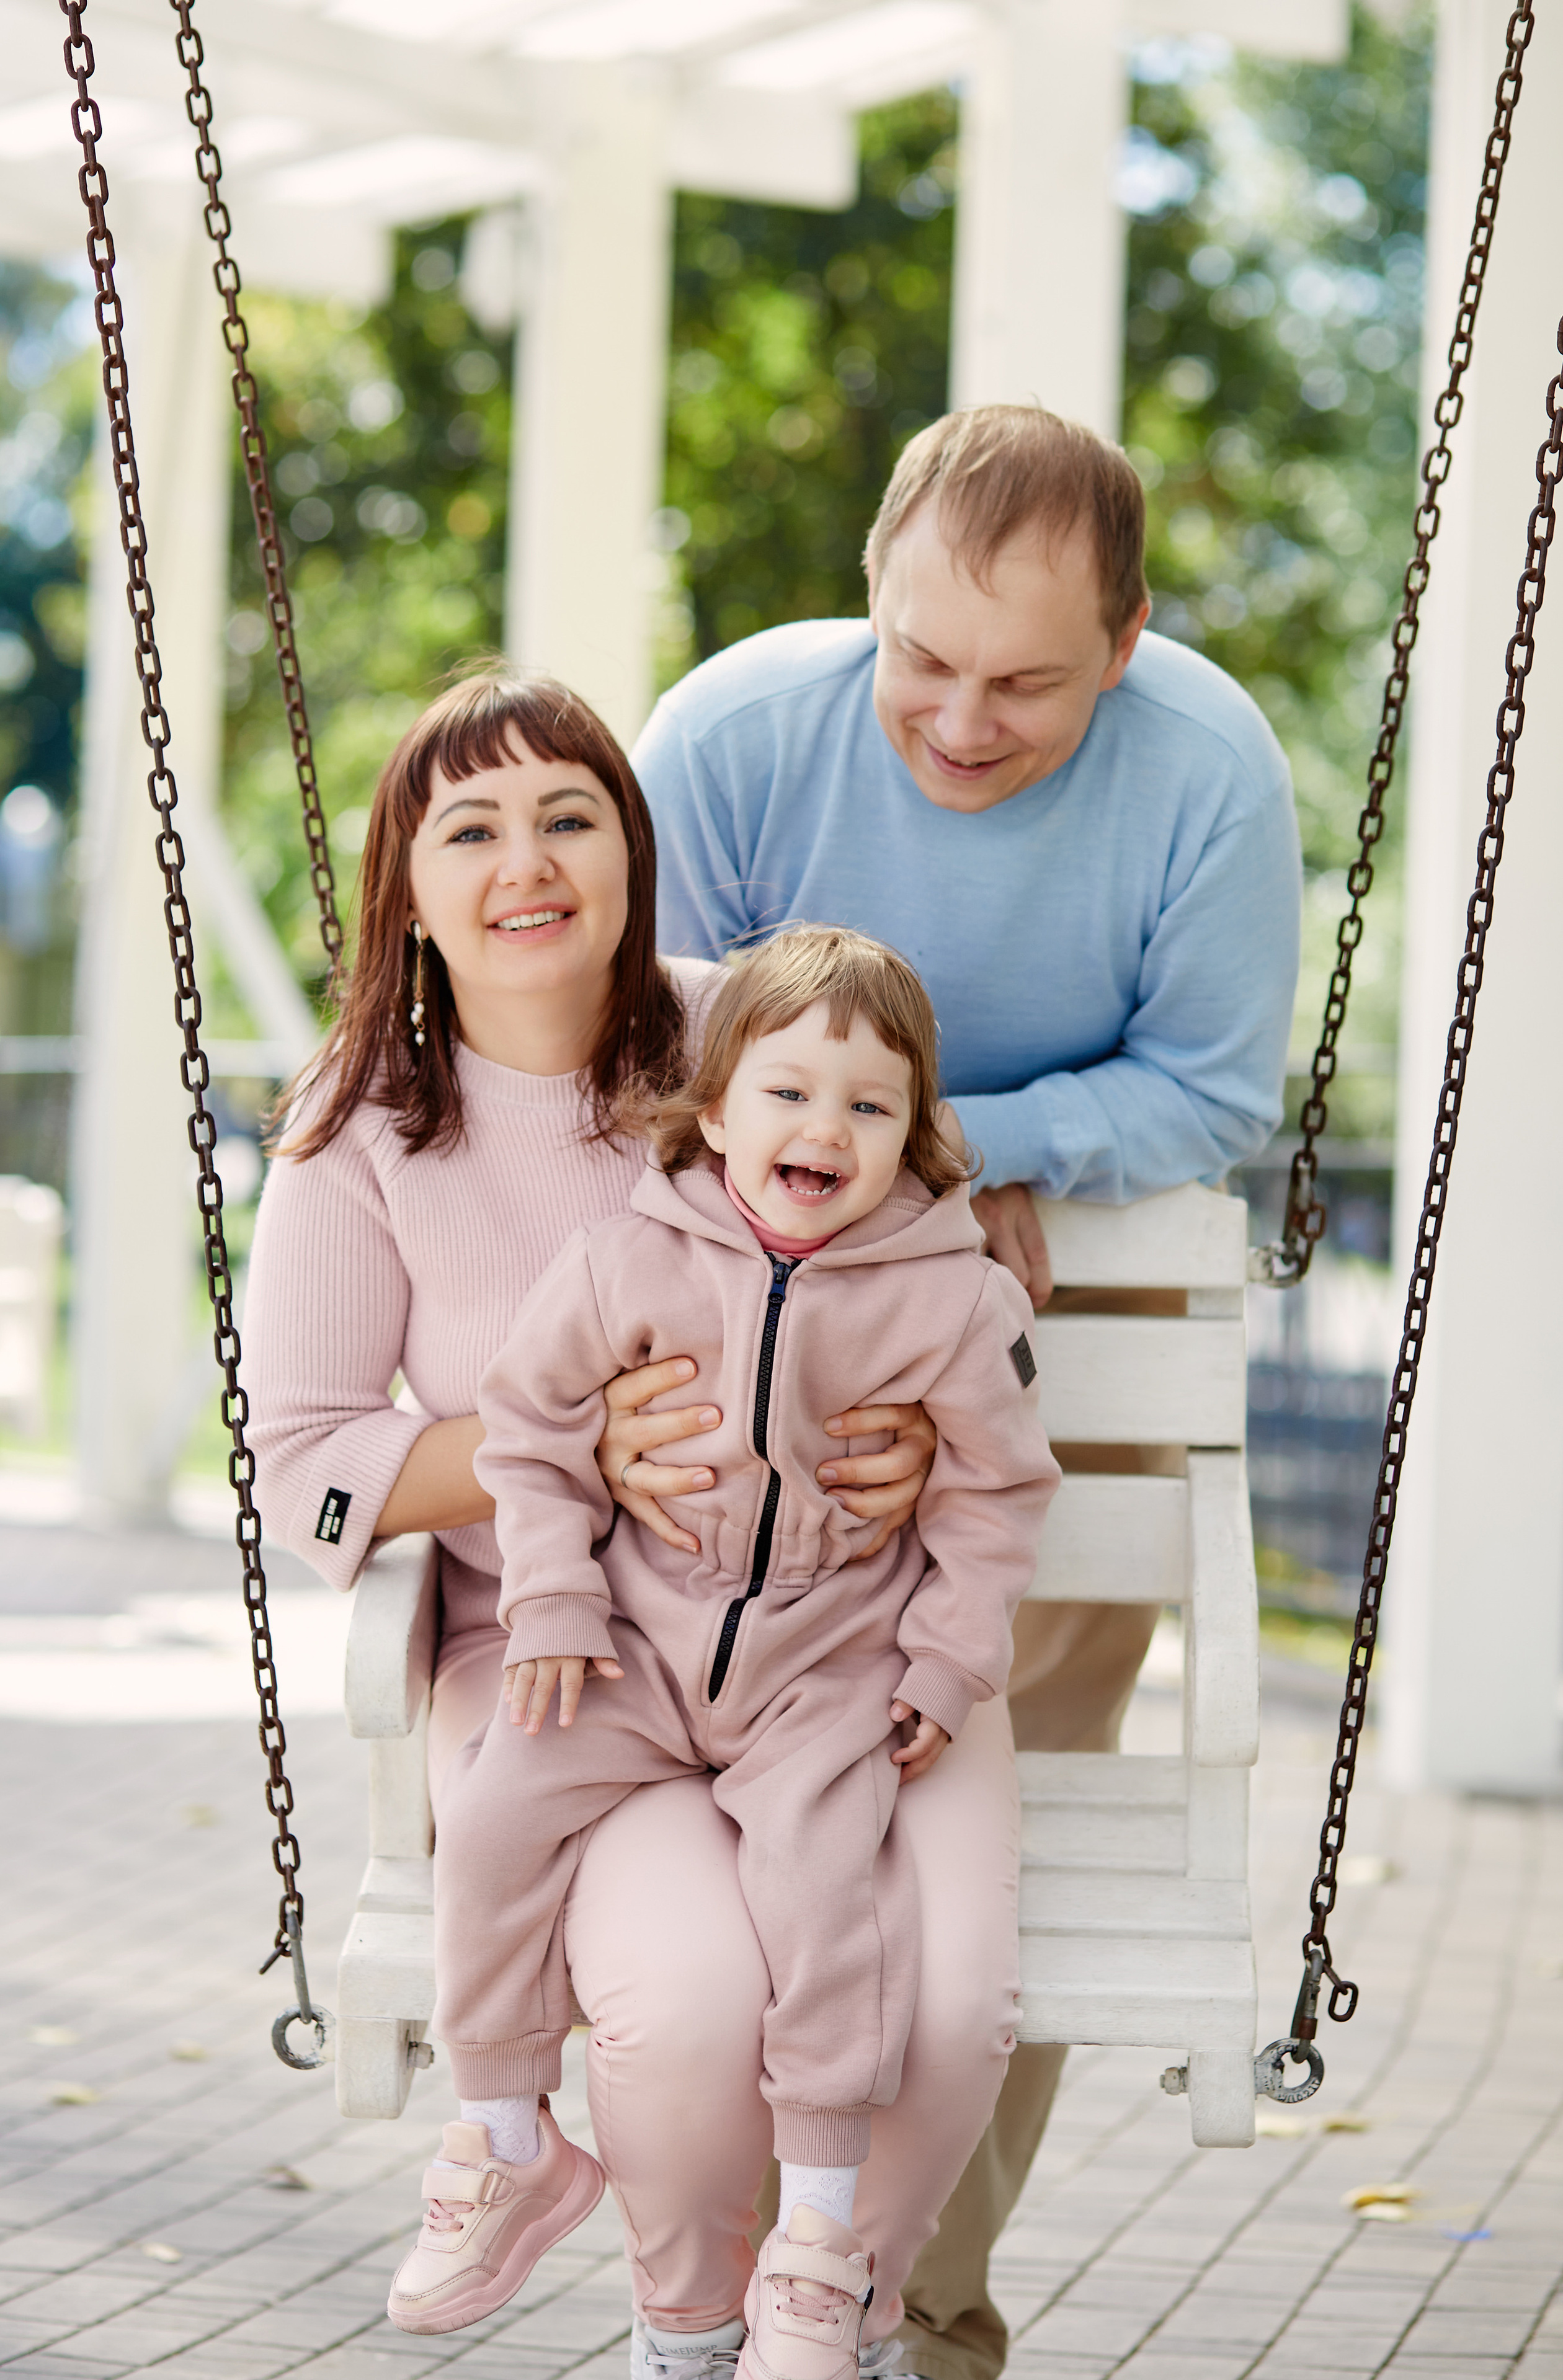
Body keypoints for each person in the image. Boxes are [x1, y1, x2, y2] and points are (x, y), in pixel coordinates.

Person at [630, 404, 1302, 2380]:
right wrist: (908, 1183)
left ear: (1127, 634)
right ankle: (722, 2276)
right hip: (761, 1317)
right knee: (749, 1806)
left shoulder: (1208, 772)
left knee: (986, 1836)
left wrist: (971, 1146)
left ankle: (904, 2302)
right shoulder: (739, 733)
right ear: (868, 587)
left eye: (1027, 679)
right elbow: (647, 1061)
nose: (960, 719)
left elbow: (1210, 1081)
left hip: (1071, 1330)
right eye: (922, 658)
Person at [244, 670, 1017, 2378]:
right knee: (685, 2003)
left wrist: (904, 1437)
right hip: (559, 1660)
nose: (529, 860)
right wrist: (569, 1446)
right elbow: (300, 1462)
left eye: (568, 812)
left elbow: (941, 1242)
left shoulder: (750, 1034)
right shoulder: (362, 1128)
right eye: (472, 828)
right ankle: (687, 2328)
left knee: (950, 1999)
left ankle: (847, 2323)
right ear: (409, 887)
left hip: (844, 1637)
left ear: (630, 845)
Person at [407, 925, 1059, 2363]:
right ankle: (502, 2129)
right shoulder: (627, 1254)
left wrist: (944, 1664)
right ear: (715, 1111)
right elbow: (529, 1432)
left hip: (823, 1674)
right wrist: (555, 1597)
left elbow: (997, 1495)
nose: (823, 1127)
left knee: (828, 1901)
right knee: (495, 1803)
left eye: (868, 1104)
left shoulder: (951, 1296)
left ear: (915, 1136)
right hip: (631, 1647)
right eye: (786, 1092)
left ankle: (819, 2233)